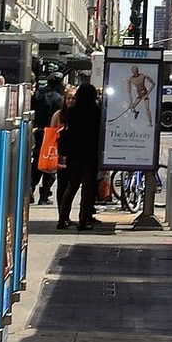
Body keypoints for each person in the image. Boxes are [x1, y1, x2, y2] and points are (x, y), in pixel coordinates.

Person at [56, 81, 109, 231]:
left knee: (72, 186)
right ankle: (83, 221)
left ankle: (63, 218)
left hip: (74, 153)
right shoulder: (96, 111)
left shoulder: (72, 111)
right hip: (90, 152)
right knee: (88, 187)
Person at [30, 73, 65, 204]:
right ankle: (44, 195)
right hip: (51, 133)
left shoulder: (38, 95)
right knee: (50, 162)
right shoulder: (59, 98)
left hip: (37, 132)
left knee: (38, 161)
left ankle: (31, 187)